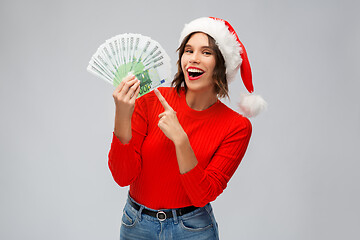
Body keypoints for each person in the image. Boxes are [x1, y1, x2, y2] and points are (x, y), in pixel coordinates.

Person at [108, 17, 265, 240]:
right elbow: (123, 177)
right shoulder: (151, 100)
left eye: (206, 53)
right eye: (188, 50)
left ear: (222, 64)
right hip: (137, 226)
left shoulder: (237, 127)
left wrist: (181, 140)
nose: (194, 59)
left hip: (192, 230)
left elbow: (202, 195)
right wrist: (122, 115)